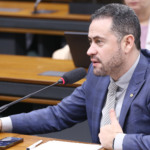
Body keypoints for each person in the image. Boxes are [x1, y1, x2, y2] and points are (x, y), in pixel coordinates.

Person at [1, 3, 150, 150]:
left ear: (127, 43)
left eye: (99, 42)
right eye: (90, 42)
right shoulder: (97, 75)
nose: (89, 51)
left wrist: (119, 141)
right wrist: (3, 123)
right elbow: (58, 115)